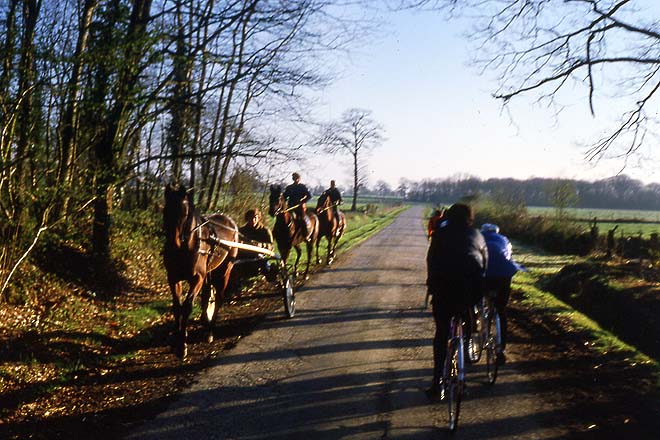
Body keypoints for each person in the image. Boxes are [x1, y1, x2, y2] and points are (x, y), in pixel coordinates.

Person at [426, 203, 488, 399]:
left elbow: (431, 261)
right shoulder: (478, 235)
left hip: (443, 288)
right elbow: (485, 262)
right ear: (470, 218)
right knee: (468, 311)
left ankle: (437, 383)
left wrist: (431, 284)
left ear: (449, 217)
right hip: (470, 287)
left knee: (442, 333)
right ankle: (468, 346)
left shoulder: (439, 234)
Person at [480, 223, 525, 366]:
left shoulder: (479, 237)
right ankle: (501, 349)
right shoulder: (504, 239)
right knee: (501, 310)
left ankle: (476, 321)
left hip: (485, 273)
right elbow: (509, 256)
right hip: (504, 273)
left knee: (477, 296)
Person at [236, 209, 276, 282]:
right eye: (250, 218)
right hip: (243, 256)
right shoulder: (241, 231)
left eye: (255, 217)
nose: (253, 220)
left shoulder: (265, 230)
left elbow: (271, 246)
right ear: (247, 219)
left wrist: (261, 245)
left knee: (264, 263)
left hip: (259, 256)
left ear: (259, 218)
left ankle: (270, 276)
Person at [283, 172, 312, 238]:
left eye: (296, 178)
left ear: (299, 179)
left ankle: (306, 235)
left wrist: (302, 202)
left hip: (300, 208)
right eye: (294, 178)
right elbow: (285, 197)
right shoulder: (289, 187)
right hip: (290, 207)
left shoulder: (302, 187)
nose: (295, 179)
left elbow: (309, 196)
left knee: (302, 220)